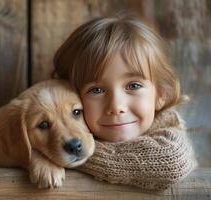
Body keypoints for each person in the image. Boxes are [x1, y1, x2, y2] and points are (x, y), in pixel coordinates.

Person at [52, 13, 197, 190]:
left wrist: (63, 152)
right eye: (96, 90)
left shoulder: (167, 130)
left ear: (161, 95)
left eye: (134, 85)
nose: (116, 106)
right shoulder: (63, 132)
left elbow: (171, 162)